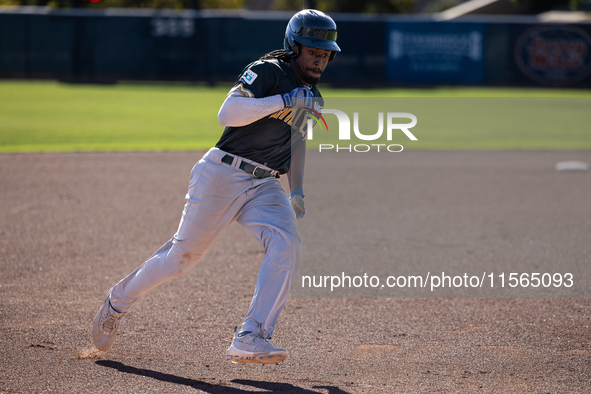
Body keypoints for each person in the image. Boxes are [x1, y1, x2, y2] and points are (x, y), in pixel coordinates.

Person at [92, 9, 340, 365]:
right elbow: (228, 112)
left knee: (287, 244)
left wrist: (296, 190)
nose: (320, 59)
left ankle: (251, 335)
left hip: (265, 184)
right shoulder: (269, 71)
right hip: (223, 173)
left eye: (325, 53)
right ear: (293, 46)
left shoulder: (313, 95)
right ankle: (117, 301)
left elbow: (297, 142)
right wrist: (284, 100)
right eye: (313, 51)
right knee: (181, 259)